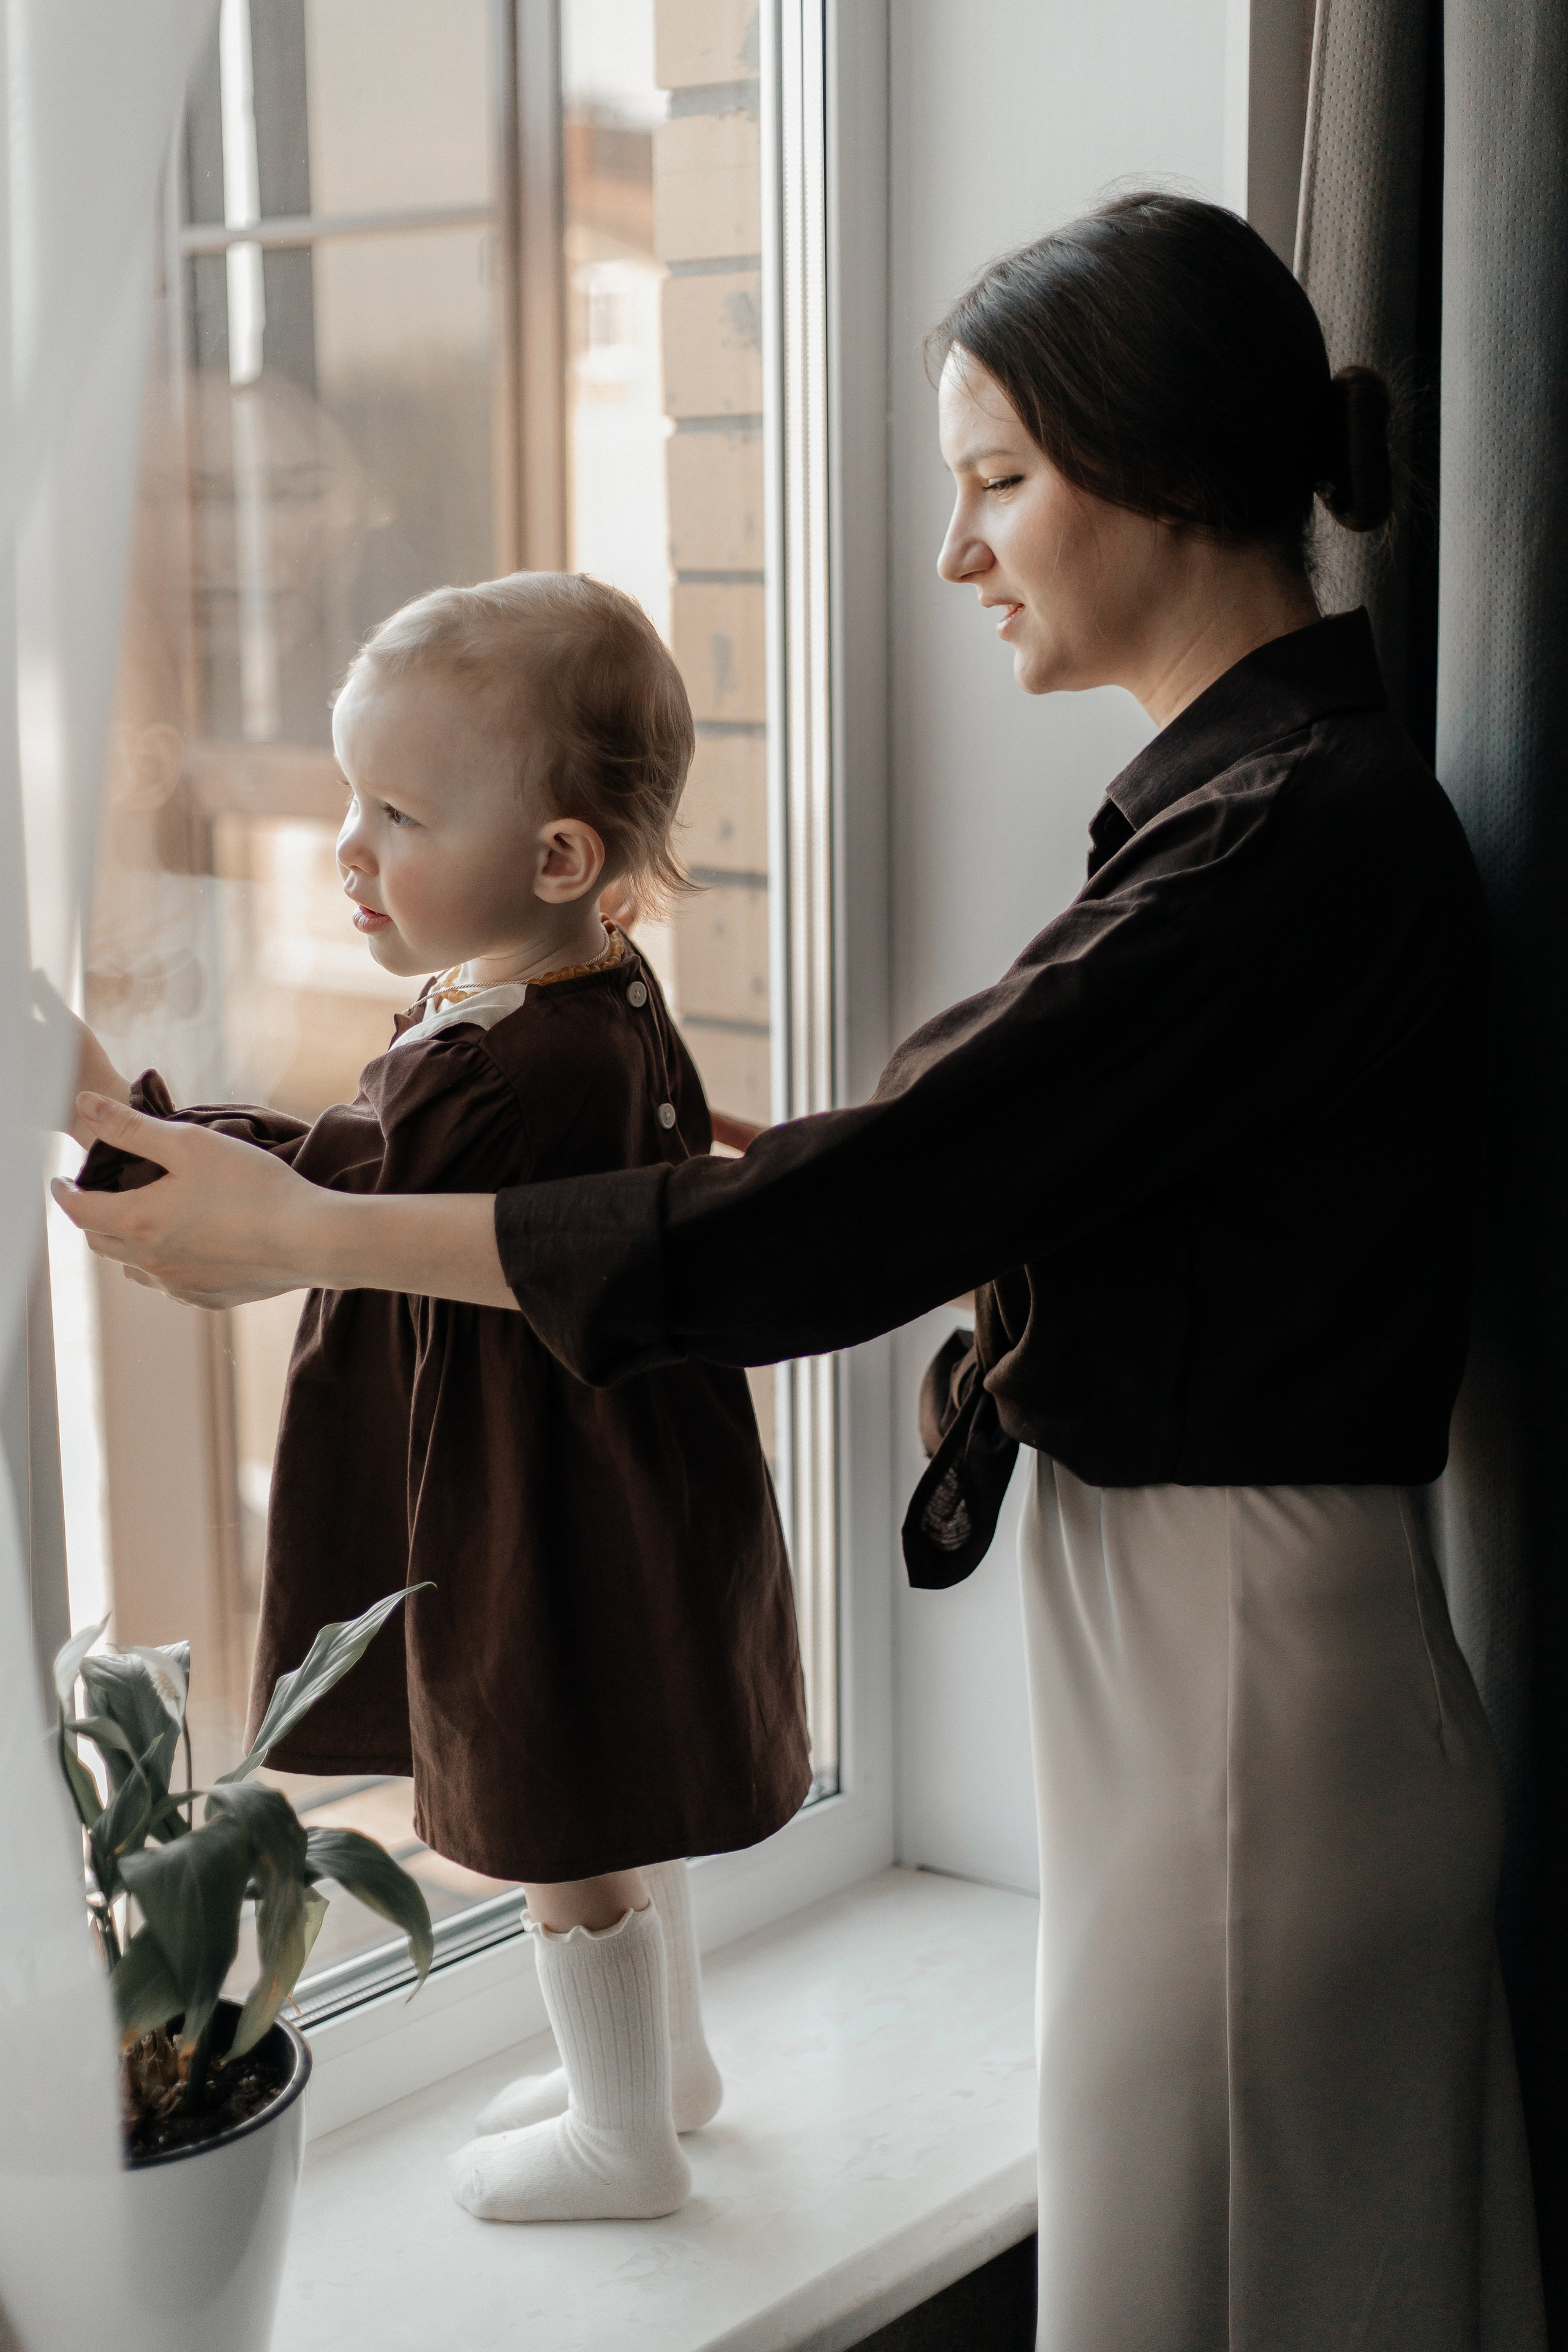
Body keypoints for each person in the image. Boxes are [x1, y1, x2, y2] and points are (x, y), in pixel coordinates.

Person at [58, 194, 1544, 2348]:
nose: (961, 553)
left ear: (1171, 465)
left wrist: (308, 1231)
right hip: (1228, 1659)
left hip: (1255, 1691)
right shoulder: (1262, 811)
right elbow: (1016, 1157)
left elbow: (875, 1218)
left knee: (1233, 2276)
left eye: (1000, 482)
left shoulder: (1286, 843)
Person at [62, 571, 812, 2226]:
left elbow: (343, 1188)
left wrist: (146, 1129)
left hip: (534, 1489)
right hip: (622, 1458)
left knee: (557, 1809)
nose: (347, 846)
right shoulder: (586, 992)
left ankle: (627, 2140)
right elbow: (366, 1169)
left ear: (560, 859)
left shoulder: (502, 1065)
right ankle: (663, 2069)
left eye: (397, 811)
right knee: (621, 1768)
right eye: (350, 797)